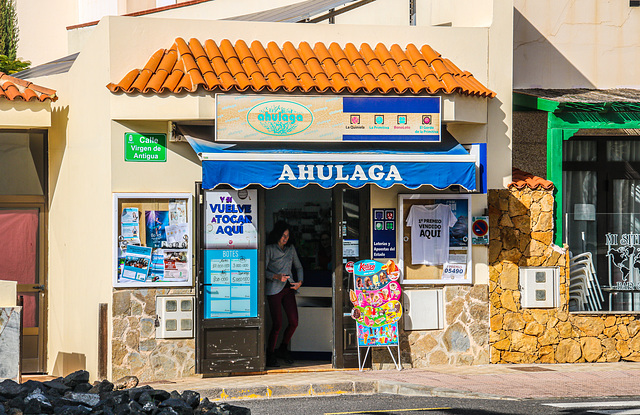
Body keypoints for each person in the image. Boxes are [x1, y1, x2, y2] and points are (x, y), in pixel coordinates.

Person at [265, 221, 303, 367]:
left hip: (288, 289)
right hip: (273, 289)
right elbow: (262, 269)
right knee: (277, 324)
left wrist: (300, 282)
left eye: (287, 236)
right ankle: (270, 354)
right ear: (277, 235)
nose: (285, 238)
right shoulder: (269, 249)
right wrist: (276, 276)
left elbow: (298, 267)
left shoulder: (291, 249)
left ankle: (283, 348)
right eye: (282, 235)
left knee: (294, 322)